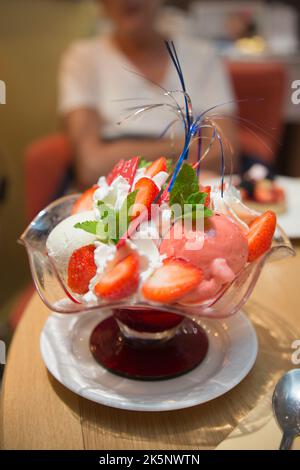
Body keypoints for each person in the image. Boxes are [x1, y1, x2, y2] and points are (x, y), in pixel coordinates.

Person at [59, 0, 239, 188]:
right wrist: (185, 146)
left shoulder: (203, 56)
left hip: (188, 195)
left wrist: (117, 155)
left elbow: (223, 154)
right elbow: (91, 166)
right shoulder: (83, 58)